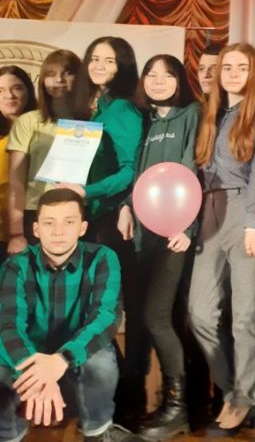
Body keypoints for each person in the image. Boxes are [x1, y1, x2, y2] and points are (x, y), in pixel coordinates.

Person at [190, 43, 255, 436]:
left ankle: (245, 398)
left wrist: (253, 220)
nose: (231, 74)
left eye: (240, 67)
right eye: (226, 67)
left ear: (253, 72)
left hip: (245, 207)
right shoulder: (209, 114)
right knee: (199, 313)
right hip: (206, 211)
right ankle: (230, 389)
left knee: (245, 313)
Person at [0, 188, 141, 442]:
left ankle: (98, 431)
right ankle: (8, 435)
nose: (58, 231)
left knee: (101, 360)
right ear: (36, 229)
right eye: (49, 223)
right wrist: (38, 374)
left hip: (75, 354)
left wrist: (61, 359)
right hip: (31, 356)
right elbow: (8, 325)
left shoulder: (102, 258)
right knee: (2, 367)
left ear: (82, 228)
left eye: (68, 222)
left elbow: (105, 318)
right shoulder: (15, 266)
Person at [116, 56, 200, 440]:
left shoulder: (191, 115)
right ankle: (165, 405)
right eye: (151, 75)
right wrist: (125, 205)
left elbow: (192, 169)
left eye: (168, 75)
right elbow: (140, 174)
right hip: (144, 235)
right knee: (151, 318)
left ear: (180, 81)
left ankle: (177, 408)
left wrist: (188, 225)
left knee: (157, 316)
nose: (159, 81)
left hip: (175, 234)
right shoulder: (147, 121)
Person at [68, 37, 145, 423]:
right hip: (85, 217)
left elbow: (132, 169)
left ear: (123, 66)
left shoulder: (122, 109)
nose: (99, 65)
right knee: (88, 310)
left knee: (108, 312)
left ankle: (126, 400)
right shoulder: (88, 106)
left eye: (109, 60)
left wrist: (89, 191)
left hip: (109, 222)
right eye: (94, 58)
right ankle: (98, 398)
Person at [7, 51, 81, 256]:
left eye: (67, 73)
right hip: (37, 212)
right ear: (42, 80)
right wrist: (16, 233)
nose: (59, 80)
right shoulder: (29, 121)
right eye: (51, 74)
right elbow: (16, 181)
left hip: (78, 212)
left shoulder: (90, 121)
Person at [1, 66, 37, 259]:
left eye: (17, 88)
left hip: (32, 228)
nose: (9, 95)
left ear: (28, 91)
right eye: (1, 90)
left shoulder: (43, 129)